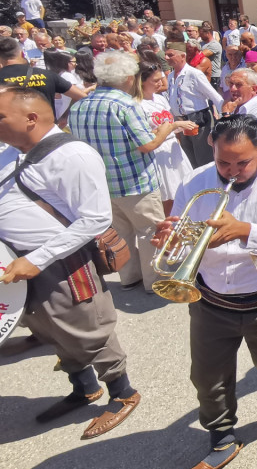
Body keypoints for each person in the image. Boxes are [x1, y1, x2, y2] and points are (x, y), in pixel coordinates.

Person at [153, 115, 257, 469]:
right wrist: (170, 239)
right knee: (208, 376)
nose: (232, 171)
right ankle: (221, 437)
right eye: (224, 162)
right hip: (210, 299)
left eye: (243, 163)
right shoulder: (196, 180)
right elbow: (184, 232)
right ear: (212, 147)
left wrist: (245, 231)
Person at [0, 86, 141, 439]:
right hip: (22, 262)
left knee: (87, 329)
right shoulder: (12, 151)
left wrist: (38, 258)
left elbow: (94, 219)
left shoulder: (71, 155)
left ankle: (122, 394)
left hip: (59, 262)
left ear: (30, 118)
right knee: (47, 327)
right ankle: (84, 388)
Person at [68, 51, 180, 292]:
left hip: (101, 183)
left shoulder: (80, 105)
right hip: (135, 182)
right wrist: (166, 129)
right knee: (151, 230)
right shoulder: (125, 105)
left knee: (122, 233)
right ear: (130, 77)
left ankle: (129, 277)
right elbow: (147, 144)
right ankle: (155, 281)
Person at [138, 58, 196, 215]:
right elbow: (145, 136)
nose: (160, 84)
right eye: (155, 80)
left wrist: (180, 129)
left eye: (161, 79)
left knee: (181, 191)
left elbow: (168, 122)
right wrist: (175, 126)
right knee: (166, 197)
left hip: (173, 149)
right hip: (158, 152)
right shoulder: (138, 104)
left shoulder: (160, 99)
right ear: (142, 81)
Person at [166, 41, 223, 168]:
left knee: (204, 158)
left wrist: (224, 116)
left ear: (182, 56)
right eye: (166, 55)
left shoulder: (194, 74)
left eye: (170, 55)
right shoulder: (170, 76)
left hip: (198, 120)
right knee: (189, 157)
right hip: (181, 121)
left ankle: (210, 185)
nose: (166, 58)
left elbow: (214, 96)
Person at [0, 37, 86, 113]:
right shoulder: (46, 74)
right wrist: (65, 117)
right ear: (22, 53)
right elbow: (82, 96)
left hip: (10, 129)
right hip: (47, 127)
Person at [221, 67, 257, 148]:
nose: (232, 89)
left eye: (238, 85)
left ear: (254, 89)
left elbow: (240, 144)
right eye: (231, 84)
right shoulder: (230, 107)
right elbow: (211, 139)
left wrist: (226, 116)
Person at [199, 23, 223, 89]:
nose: (200, 36)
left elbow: (200, 56)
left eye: (201, 34)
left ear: (208, 33)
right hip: (204, 75)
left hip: (214, 76)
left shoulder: (214, 44)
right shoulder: (201, 43)